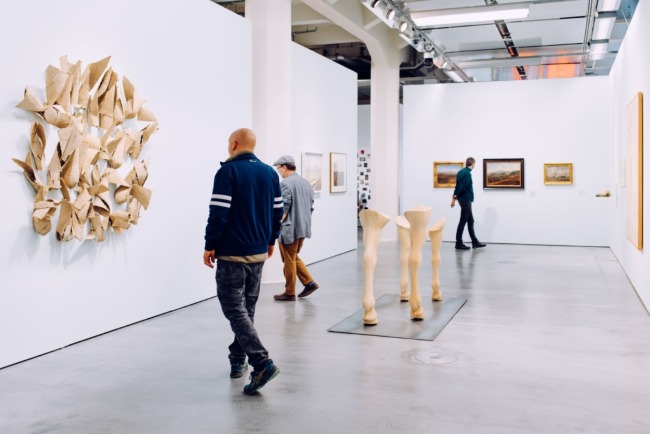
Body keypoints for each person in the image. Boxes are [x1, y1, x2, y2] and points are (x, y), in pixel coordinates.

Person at [203, 128, 283, 395]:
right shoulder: (270, 173)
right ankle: (238, 358)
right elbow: (278, 212)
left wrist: (209, 244)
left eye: (229, 142)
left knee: (234, 309)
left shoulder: (227, 172)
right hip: (258, 253)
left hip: (232, 254)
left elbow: (218, 213)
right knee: (246, 310)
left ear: (234, 144)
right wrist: (271, 240)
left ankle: (261, 362)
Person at [272, 155, 319, 301]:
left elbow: (284, 208)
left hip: (289, 229)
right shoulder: (306, 182)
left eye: (279, 168)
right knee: (292, 257)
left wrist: (275, 225)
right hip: (303, 227)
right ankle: (309, 283)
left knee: (289, 261)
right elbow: (311, 206)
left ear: (284, 167)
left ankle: (290, 292)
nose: (279, 171)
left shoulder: (285, 183)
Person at [451, 157, 486, 250]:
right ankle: (458, 243)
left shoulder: (460, 172)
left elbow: (457, 186)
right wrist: (455, 197)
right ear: (473, 163)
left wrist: (454, 197)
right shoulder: (467, 173)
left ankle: (475, 242)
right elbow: (462, 187)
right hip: (466, 200)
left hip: (462, 200)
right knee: (463, 221)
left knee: (470, 221)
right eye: (475, 164)